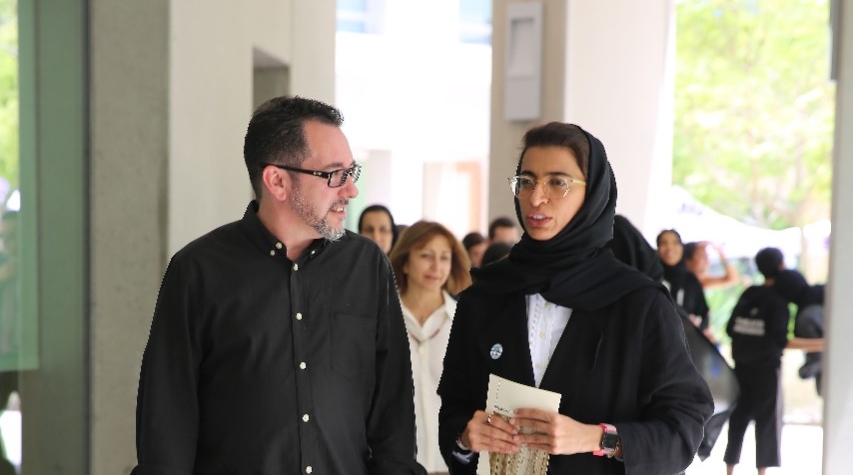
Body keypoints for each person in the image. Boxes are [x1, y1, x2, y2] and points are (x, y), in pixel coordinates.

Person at [132, 96, 425, 475]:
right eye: (334, 174)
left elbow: (393, 413)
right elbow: (168, 423)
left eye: (351, 172)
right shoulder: (198, 271)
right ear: (278, 181)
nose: (351, 190)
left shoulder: (367, 266)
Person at [438, 122, 713, 474]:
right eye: (526, 181)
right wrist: (465, 437)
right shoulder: (485, 296)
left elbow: (684, 428)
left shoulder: (638, 304)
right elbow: (454, 409)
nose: (536, 198)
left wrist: (597, 438)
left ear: (593, 193)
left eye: (558, 182)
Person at [723, 247, 824, 475]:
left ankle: (729, 470)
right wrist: (823, 343)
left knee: (738, 418)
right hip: (766, 369)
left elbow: (730, 329)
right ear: (781, 266)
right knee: (767, 422)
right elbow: (782, 341)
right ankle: (762, 473)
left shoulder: (749, 293)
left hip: (741, 365)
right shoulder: (779, 302)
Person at [389, 220, 472, 474]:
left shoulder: (465, 320)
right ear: (405, 262)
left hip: (452, 464)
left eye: (444, 258)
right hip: (396, 463)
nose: (436, 267)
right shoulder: (384, 318)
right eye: (426, 256)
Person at [773, 266, 826, 396]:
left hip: (834, 378)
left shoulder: (806, 317)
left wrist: (805, 371)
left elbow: (818, 358)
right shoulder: (828, 294)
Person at [656, 229, 712, 335]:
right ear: (658, 248)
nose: (669, 247)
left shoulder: (691, 281)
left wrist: (695, 324)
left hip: (683, 339)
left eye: (675, 242)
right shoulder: (652, 276)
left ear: (682, 247)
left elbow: (704, 314)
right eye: (664, 243)